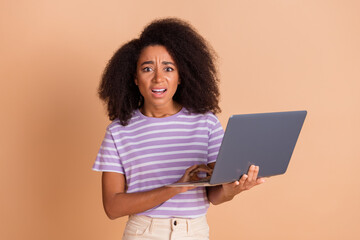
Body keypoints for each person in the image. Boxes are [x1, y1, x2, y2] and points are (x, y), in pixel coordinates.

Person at [92, 18, 265, 240]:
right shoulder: (118, 131)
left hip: (193, 232)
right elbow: (113, 206)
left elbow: (214, 193)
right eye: (147, 68)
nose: (158, 78)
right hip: (143, 233)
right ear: (135, 78)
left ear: (181, 75)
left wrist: (233, 190)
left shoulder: (206, 123)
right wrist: (175, 188)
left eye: (168, 68)